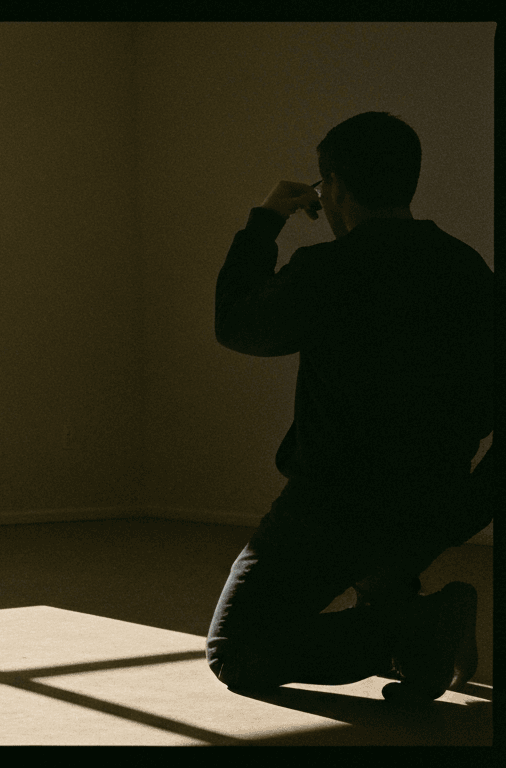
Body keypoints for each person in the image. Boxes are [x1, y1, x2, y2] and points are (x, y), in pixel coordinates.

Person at [206, 112, 495, 703]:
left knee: (237, 650)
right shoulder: (467, 270)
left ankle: (413, 631)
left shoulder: (330, 271)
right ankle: (401, 607)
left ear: (332, 188)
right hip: (434, 503)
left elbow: (237, 323)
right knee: (377, 556)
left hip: (334, 507)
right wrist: (469, 502)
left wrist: (266, 221)